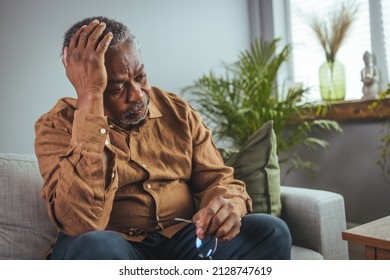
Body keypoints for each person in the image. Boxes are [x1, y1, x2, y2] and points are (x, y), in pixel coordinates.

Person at [34, 16, 291, 260]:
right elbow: (80, 223)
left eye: (140, 77)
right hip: (113, 245)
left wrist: (228, 206)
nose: (137, 95)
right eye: (117, 88)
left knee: (270, 231)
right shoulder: (57, 125)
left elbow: (218, 179)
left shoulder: (177, 111)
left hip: (183, 242)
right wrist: (90, 97)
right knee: (95, 246)